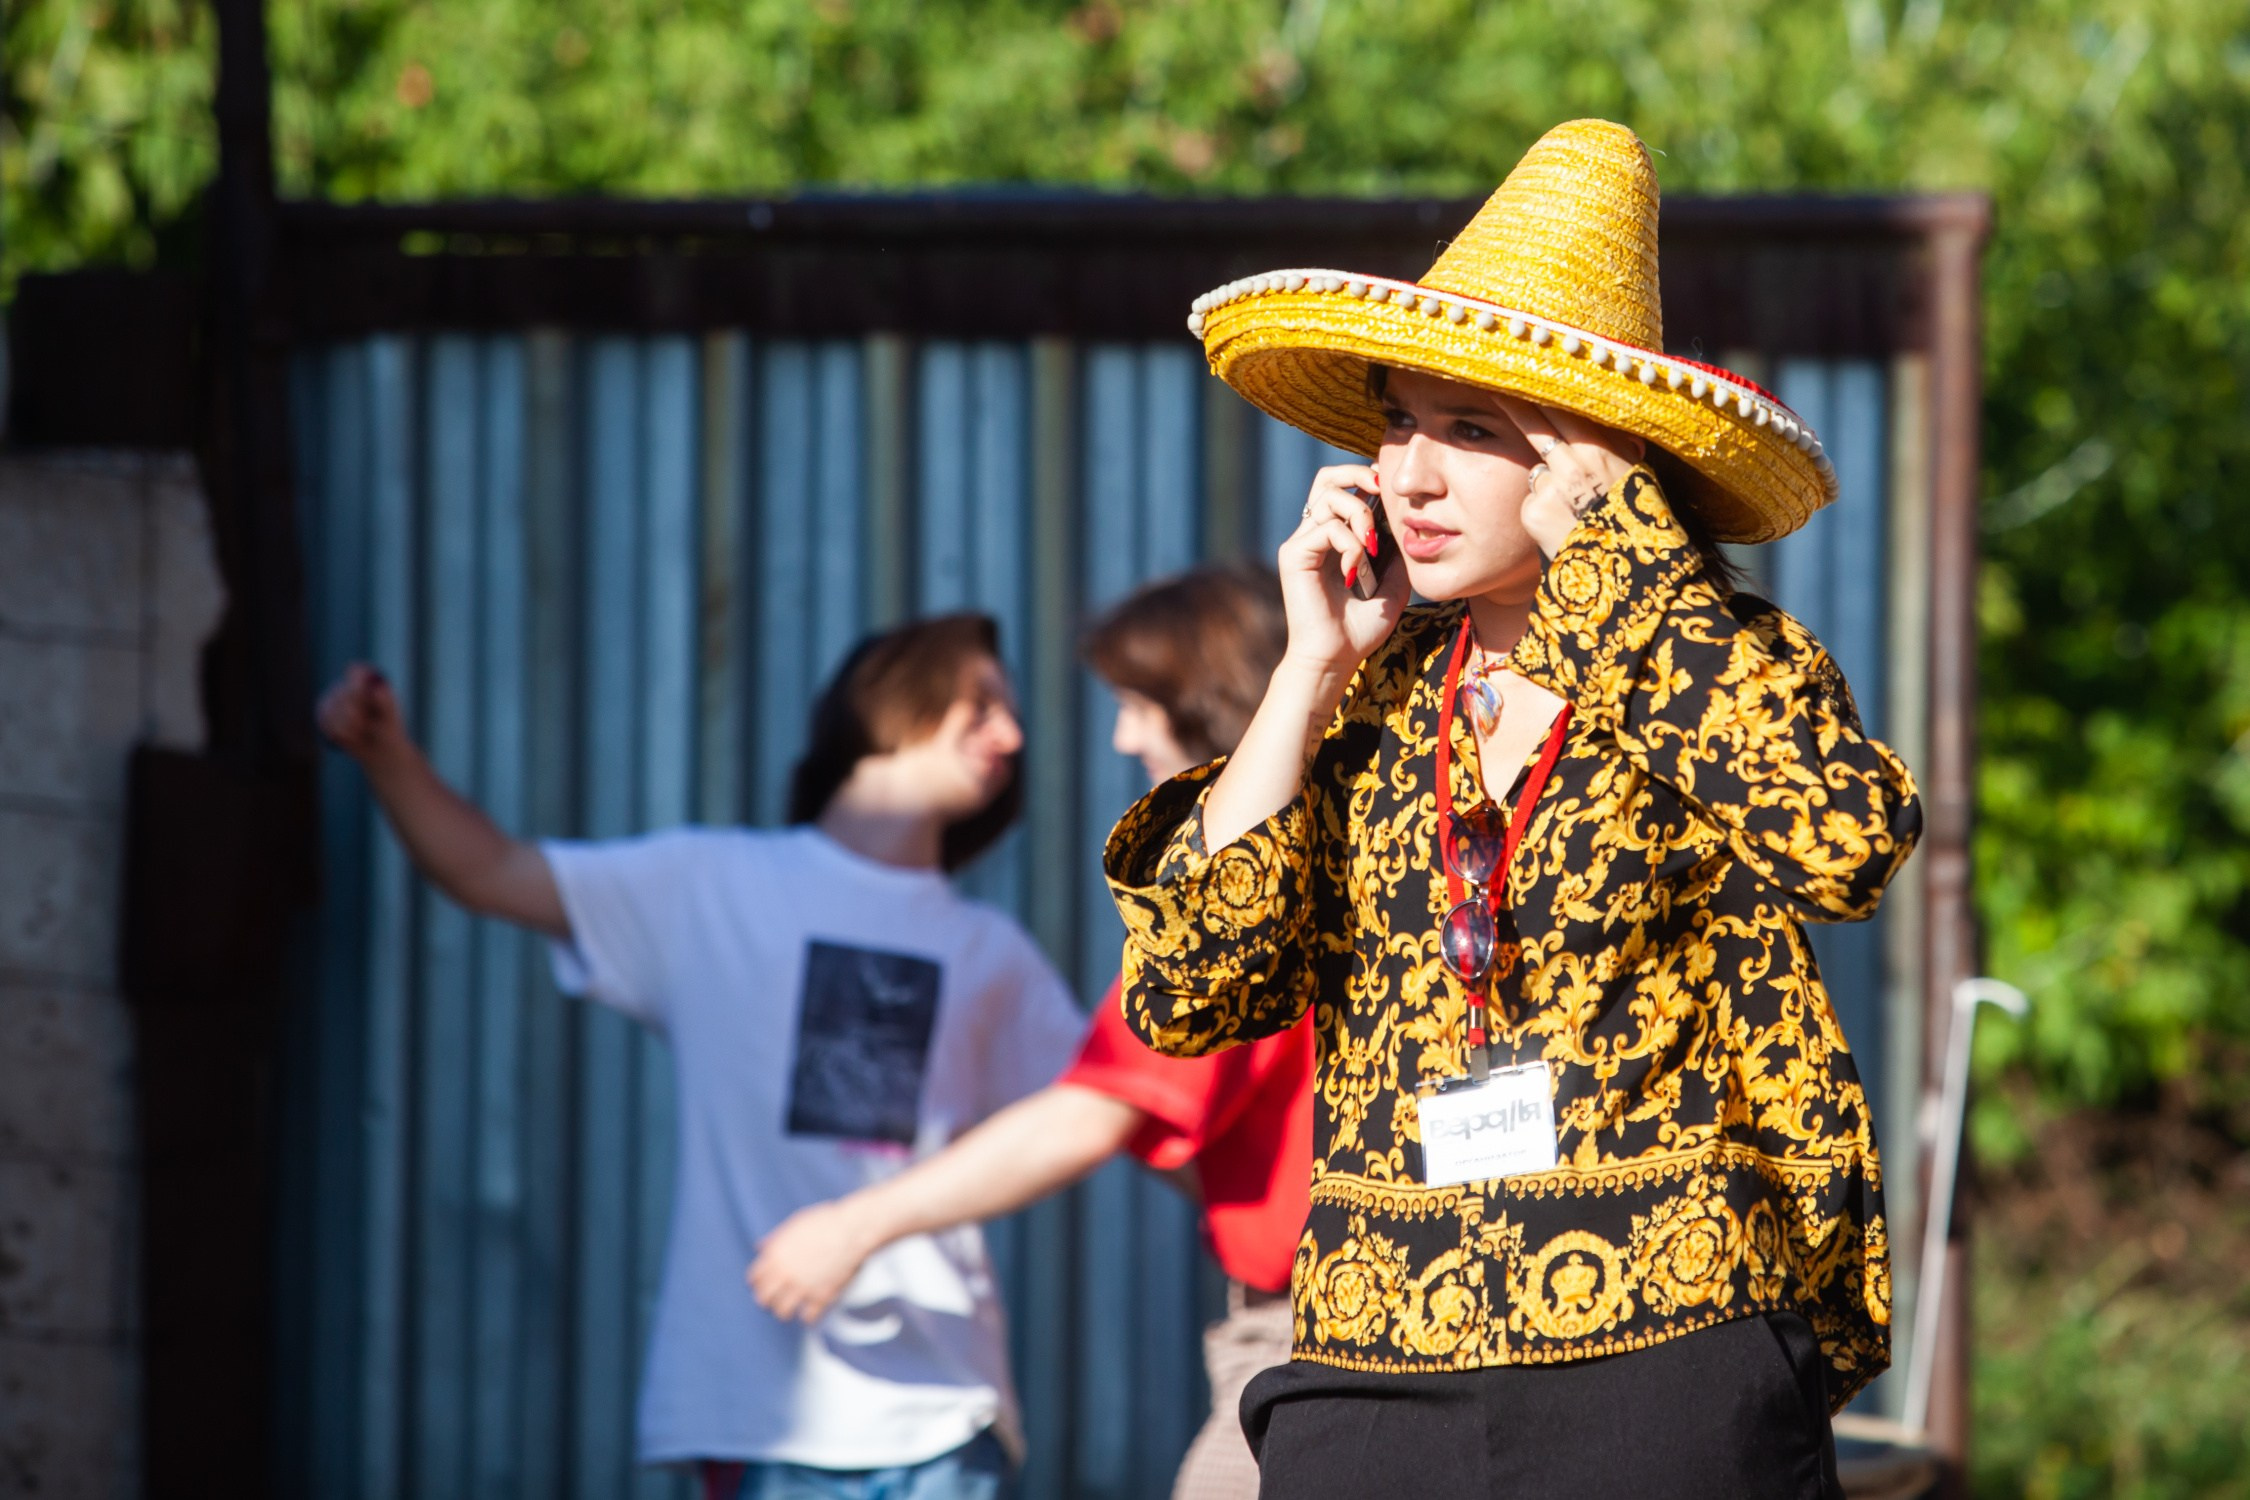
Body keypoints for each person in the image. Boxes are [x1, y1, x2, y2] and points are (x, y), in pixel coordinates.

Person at [1105, 120, 1923, 1498]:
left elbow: (1841, 842)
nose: (1410, 476)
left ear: (1585, 459)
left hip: (1660, 1365)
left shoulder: (1704, 654)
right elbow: (1185, 987)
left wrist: (1622, 561)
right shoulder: (1363, 696)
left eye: (1470, 431)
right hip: (1369, 1364)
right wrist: (1306, 668)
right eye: (1398, 422)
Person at [316, 613, 1087, 1500]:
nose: (1011, 736)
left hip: (946, 1416)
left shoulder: (992, 950)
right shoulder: (710, 886)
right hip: (753, 1413)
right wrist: (386, 754)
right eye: (982, 701)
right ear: (891, 696)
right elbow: (485, 871)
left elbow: (1110, 1110)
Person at [750, 565, 1304, 1500]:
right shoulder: (1357, 834)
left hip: (1312, 1333)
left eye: (1138, 705)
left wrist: (856, 1223)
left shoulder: (1242, 892)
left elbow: (1091, 1112)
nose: (1122, 735)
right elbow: (1152, 1116)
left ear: (1206, 705)